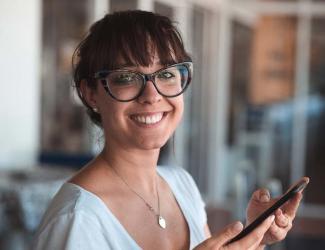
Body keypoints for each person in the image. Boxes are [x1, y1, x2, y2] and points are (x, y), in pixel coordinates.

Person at [32, 10, 305, 250]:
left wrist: (254, 236)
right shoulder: (77, 219)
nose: (151, 95)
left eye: (166, 74)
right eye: (127, 77)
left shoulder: (181, 184)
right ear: (90, 94)